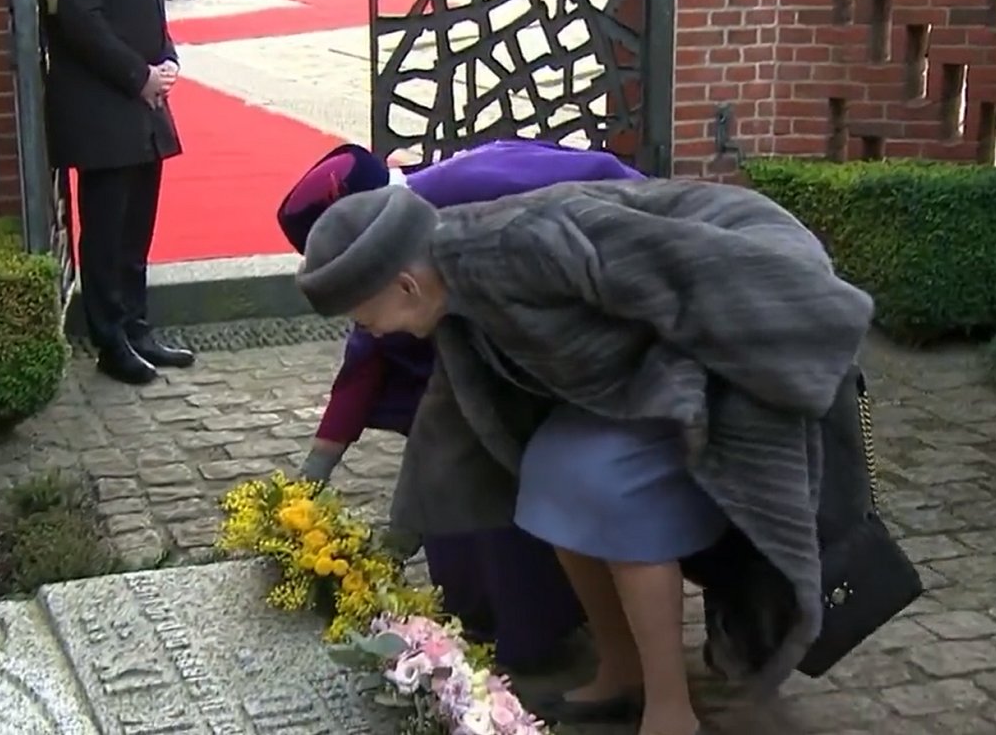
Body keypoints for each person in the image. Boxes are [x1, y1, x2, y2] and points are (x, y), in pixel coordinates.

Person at [294, 179, 877, 735]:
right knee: (551, 476)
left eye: (366, 317)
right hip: (647, 352)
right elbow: (453, 416)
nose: (371, 331)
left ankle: (672, 712)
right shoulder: (453, 286)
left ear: (406, 286)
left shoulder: (518, 244)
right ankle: (622, 670)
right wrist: (404, 529)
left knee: (610, 489)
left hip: (746, 293)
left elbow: (680, 271)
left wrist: (811, 328)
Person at [277, 139, 648, 672]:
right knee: (454, 476)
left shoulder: (472, 196)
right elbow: (369, 357)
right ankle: (483, 620)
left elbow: (607, 198)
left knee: (503, 481)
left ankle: (534, 631)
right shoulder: (403, 246)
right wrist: (314, 477)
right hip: (475, 367)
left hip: (573, 344)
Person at [47, 0, 196, 384]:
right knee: (107, 233)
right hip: (102, 104)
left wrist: (167, 60)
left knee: (135, 231)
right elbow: (81, 21)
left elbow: (153, 14)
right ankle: (110, 340)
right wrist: (139, 75)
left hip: (141, 107)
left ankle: (135, 327)